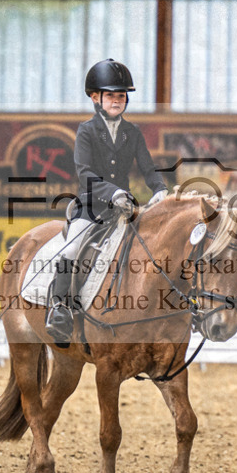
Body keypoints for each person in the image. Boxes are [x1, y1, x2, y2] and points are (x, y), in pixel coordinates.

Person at [45, 59, 168, 346]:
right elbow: (85, 173)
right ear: (95, 97)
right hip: (92, 208)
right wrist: (112, 192)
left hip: (125, 210)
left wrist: (160, 189)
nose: (117, 100)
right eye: (111, 95)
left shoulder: (133, 132)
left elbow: (148, 168)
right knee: (72, 248)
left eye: (121, 95)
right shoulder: (86, 131)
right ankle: (59, 308)